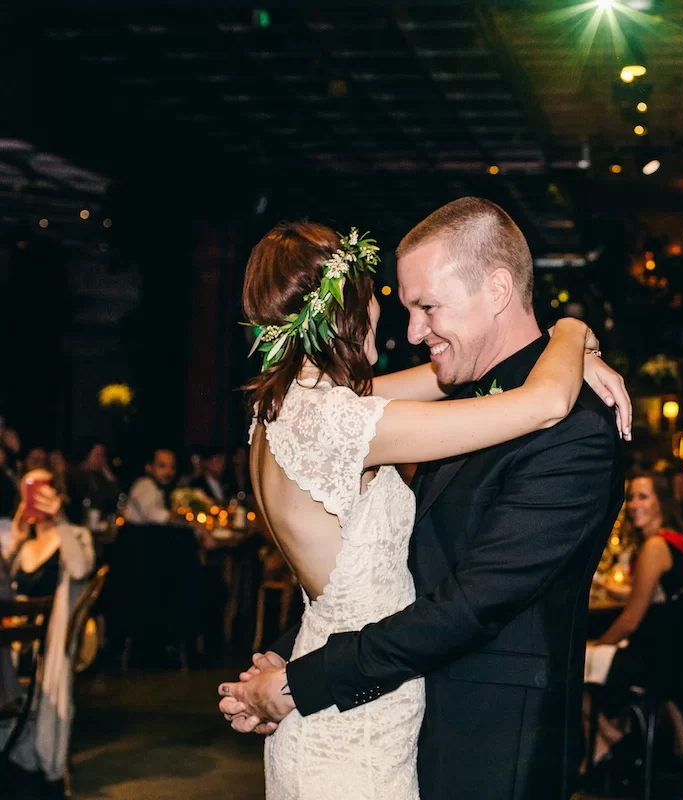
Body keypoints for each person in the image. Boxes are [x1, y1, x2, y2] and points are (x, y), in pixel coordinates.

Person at [217, 204, 630, 800]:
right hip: (371, 722)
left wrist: (294, 675)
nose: (410, 333)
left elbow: (463, 601)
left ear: (497, 290)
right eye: (398, 306)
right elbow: (404, 571)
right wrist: (573, 332)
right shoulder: (346, 418)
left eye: (427, 307)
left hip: (490, 745)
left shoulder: (577, 429)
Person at [585, 473, 683, 766]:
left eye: (643, 497)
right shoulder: (676, 540)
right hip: (675, 654)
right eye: (631, 497)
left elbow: (630, 621)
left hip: (655, 661)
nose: (634, 504)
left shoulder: (655, 547)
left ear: (662, 502)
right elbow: (654, 598)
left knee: (570, 664)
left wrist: (598, 644)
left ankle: (607, 741)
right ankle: (609, 740)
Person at [2, 471, 95, 781]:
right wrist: (17, 536)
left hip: (53, 641)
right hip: (15, 640)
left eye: (44, 489)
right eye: (30, 491)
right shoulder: (24, 544)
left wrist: (60, 520)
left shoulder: (75, 534)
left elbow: (80, 569)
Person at [65, 440, 121, 524]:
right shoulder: (74, 474)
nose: (101, 460)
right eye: (97, 455)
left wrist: (110, 477)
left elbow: (116, 499)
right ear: (87, 455)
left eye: (103, 456)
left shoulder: (100, 476)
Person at [124, 448, 177, 525]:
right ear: (149, 467)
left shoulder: (158, 487)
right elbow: (150, 512)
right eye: (162, 466)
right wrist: (179, 519)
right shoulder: (145, 484)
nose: (168, 472)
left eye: (172, 467)